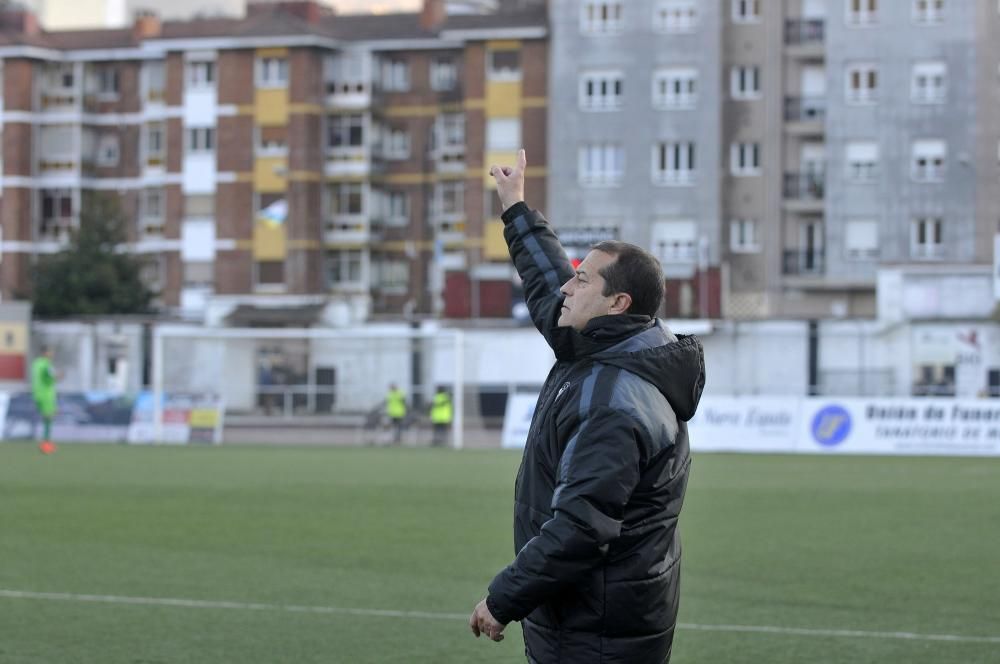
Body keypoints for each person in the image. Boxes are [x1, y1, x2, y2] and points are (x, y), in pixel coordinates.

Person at [468, 150, 705, 663]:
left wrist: (505, 597)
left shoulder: (614, 402)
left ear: (617, 304)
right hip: (595, 617)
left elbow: (581, 527)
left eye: (583, 280)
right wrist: (516, 207)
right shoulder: (614, 345)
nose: (567, 287)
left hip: (597, 631)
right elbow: (547, 278)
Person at [31, 346, 58, 453]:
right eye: (51, 352)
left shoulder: (36, 363)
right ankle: (46, 444)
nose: (52, 354)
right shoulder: (47, 364)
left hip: (37, 393)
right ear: (46, 353)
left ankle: (45, 442)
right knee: (49, 417)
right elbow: (50, 377)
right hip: (46, 394)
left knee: (45, 417)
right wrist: (59, 376)